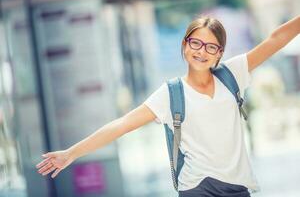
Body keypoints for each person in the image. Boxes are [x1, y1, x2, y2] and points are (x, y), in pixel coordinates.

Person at [36, 15, 300, 197]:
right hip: (197, 187)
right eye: (195, 43)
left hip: (238, 186)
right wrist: (71, 153)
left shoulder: (233, 74)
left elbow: (275, 39)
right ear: (185, 45)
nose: (202, 51)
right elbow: (123, 124)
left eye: (211, 46)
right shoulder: (171, 92)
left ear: (220, 52)